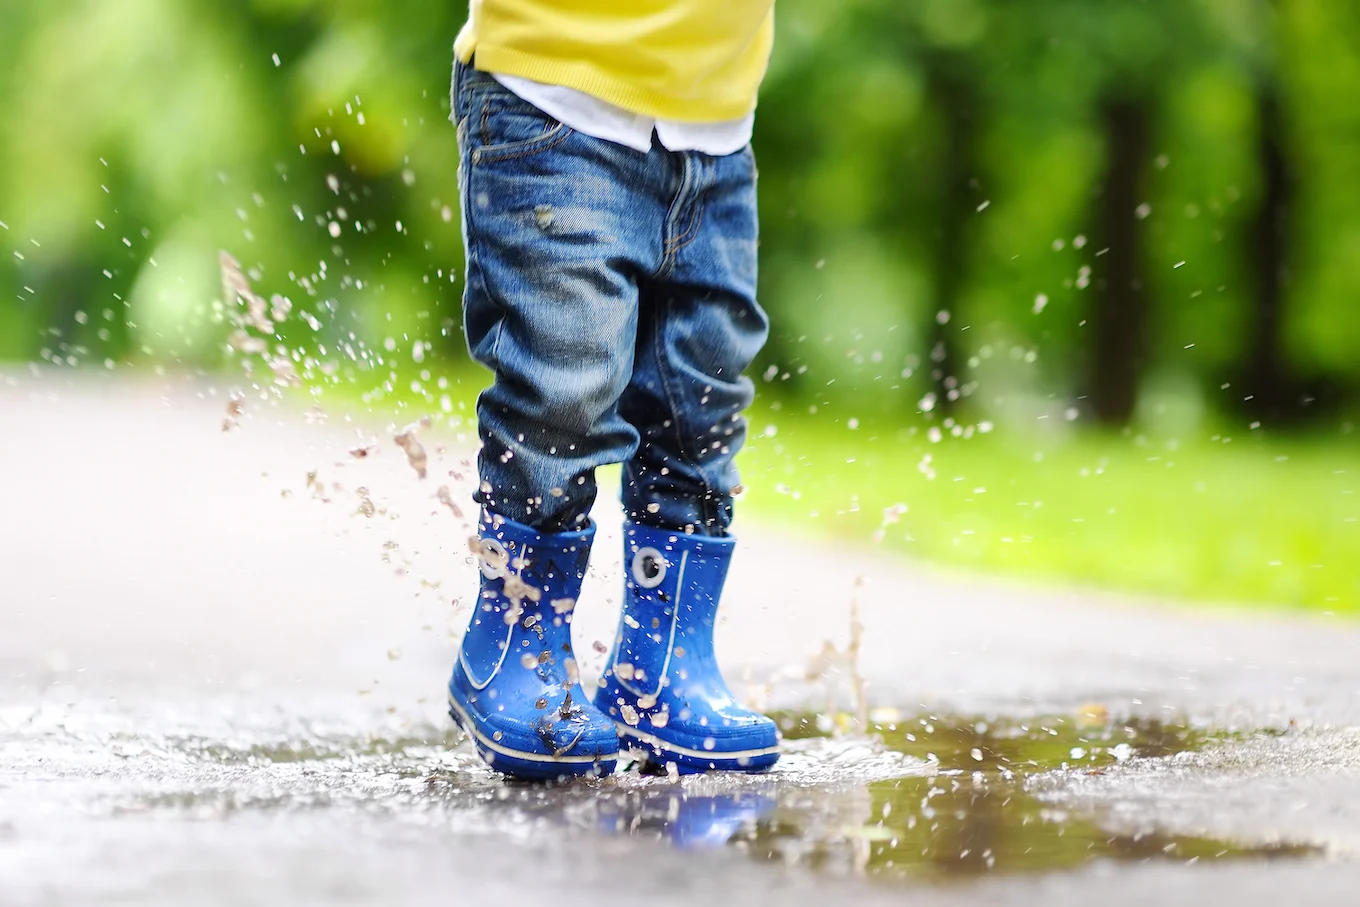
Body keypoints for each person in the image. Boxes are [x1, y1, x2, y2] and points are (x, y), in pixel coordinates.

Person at [445, 0, 780, 780]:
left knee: (701, 403)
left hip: (716, 124)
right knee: (562, 389)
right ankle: (513, 643)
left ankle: (659, 671)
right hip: (552, 99)